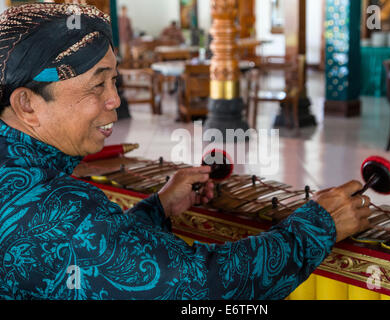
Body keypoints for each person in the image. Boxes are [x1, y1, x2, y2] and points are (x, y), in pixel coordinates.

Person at [0, 3, 371, 300]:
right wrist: (317, 226)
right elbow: (201, 288)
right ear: (27, 104)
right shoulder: (62, 209)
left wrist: (158, 208)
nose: (114, 99)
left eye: (114, 80)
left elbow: (100, 259)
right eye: (96, 85)